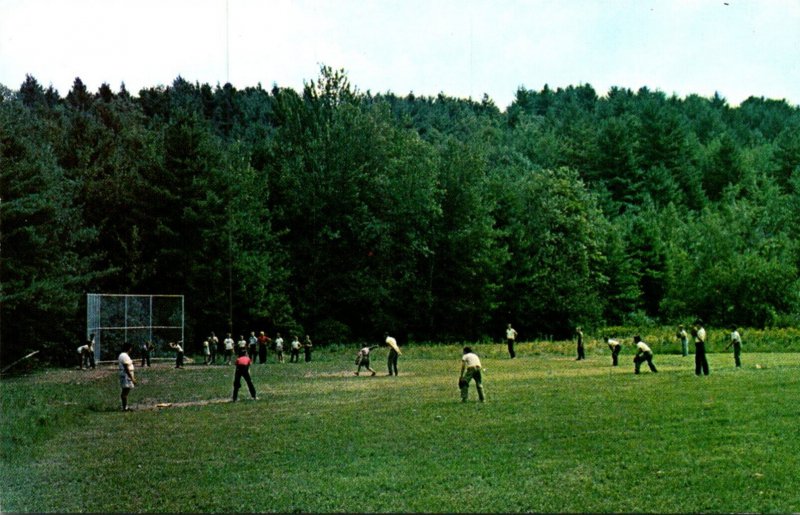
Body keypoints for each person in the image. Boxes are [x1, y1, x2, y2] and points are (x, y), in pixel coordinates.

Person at [118, 342, 136, 411]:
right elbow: (126, 367)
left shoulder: (124, 355)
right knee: (125, 391)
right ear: (129, 348)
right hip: (126, 375)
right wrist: (132, 378)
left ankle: (125, 407)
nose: (131, 349)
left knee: (125, 391)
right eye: (131, 348)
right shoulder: (124, 355)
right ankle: (125, 407)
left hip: (126, 375)